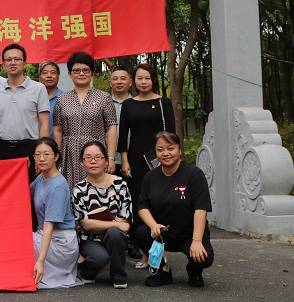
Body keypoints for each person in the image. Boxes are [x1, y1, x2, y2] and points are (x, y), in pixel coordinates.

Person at [136, 131, 214, 287]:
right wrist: (153, 225)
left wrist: (197, 241)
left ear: (179, 149)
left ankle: (194, 271)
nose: (165, 153)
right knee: (141, 233)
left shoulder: (194, 174)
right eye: (160, 150)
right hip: (163, 233)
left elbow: (201, 209)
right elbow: (142, 205)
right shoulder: (150, 177)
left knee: (205, 258)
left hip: (189, 234)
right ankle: (162, 271)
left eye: (170, 148)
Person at [118, 63, 175, 269]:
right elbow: (123, 135)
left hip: (159, 159)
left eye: (147, 78)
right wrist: (125, 160)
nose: (143, 82)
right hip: (136, 160)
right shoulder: (128, 104)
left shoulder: (163, 102)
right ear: (133, 81)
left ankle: (161, 255)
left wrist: (168, 158)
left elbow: (172, 134)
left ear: (154, 80)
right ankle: (145, 255)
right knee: (139, 204)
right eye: (139, 78)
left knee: (158, 204)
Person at [71, 141, 132, 289]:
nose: (93, 161)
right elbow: (86, 224)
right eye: (88, 158)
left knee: (114, 234)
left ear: (106, 161)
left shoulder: (120, 184)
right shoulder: (79, 189)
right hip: (89, 237)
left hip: (115, 236)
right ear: (81, 162)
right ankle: (87, 272)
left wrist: (113, 225)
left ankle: (118, 275)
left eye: (98, 157)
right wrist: (116, 224)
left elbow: (125, 219)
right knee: (99, 258)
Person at [52, 51, 117, 188]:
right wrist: (57, 158)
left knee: (98, 190)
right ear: (69, 74)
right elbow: (57, 130)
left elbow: (111, 127)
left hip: (96, 153)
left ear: (92, 73)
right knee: (72, 190)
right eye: (76, 70)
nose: (81, 73)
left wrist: (110, 157)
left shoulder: (104, 98)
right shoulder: (62, 99)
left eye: (86, 70)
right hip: (70, 153)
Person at [0, 44, 49, 182]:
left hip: (29, 149)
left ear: (25, 63)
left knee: (29, 190)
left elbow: (44, 124)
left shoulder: (38, 89)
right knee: (2, 191)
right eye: (8, 60)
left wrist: (41, 155)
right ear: (3, 65)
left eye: (17, 59)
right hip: (1, 149)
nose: (13, 62)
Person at [31, 137, 82, 289]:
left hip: (61, 243)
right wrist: (21, 168)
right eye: (37, 154)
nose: (41, 158)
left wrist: (40, 262)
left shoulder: (57, 186)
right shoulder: (41, 178)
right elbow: (23, 192)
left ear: (56, 156)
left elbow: (49, 226)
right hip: (46, 236)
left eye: (46, 154)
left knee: (20, 241)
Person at [109, 65, 132, 174]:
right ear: (110, 83)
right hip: (109, 160)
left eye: (123, 78)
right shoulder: (104, 105)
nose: (119, 82)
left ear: (130, 82)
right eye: (115, 79)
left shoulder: (137, 104)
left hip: (133, 158)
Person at [39, 61, 64, 137]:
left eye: (53, 73)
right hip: (35, 142)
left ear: (58, 76)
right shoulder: (34, 98)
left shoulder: (65, 99)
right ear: (40, 76)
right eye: (45, 73)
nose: (49, 76)